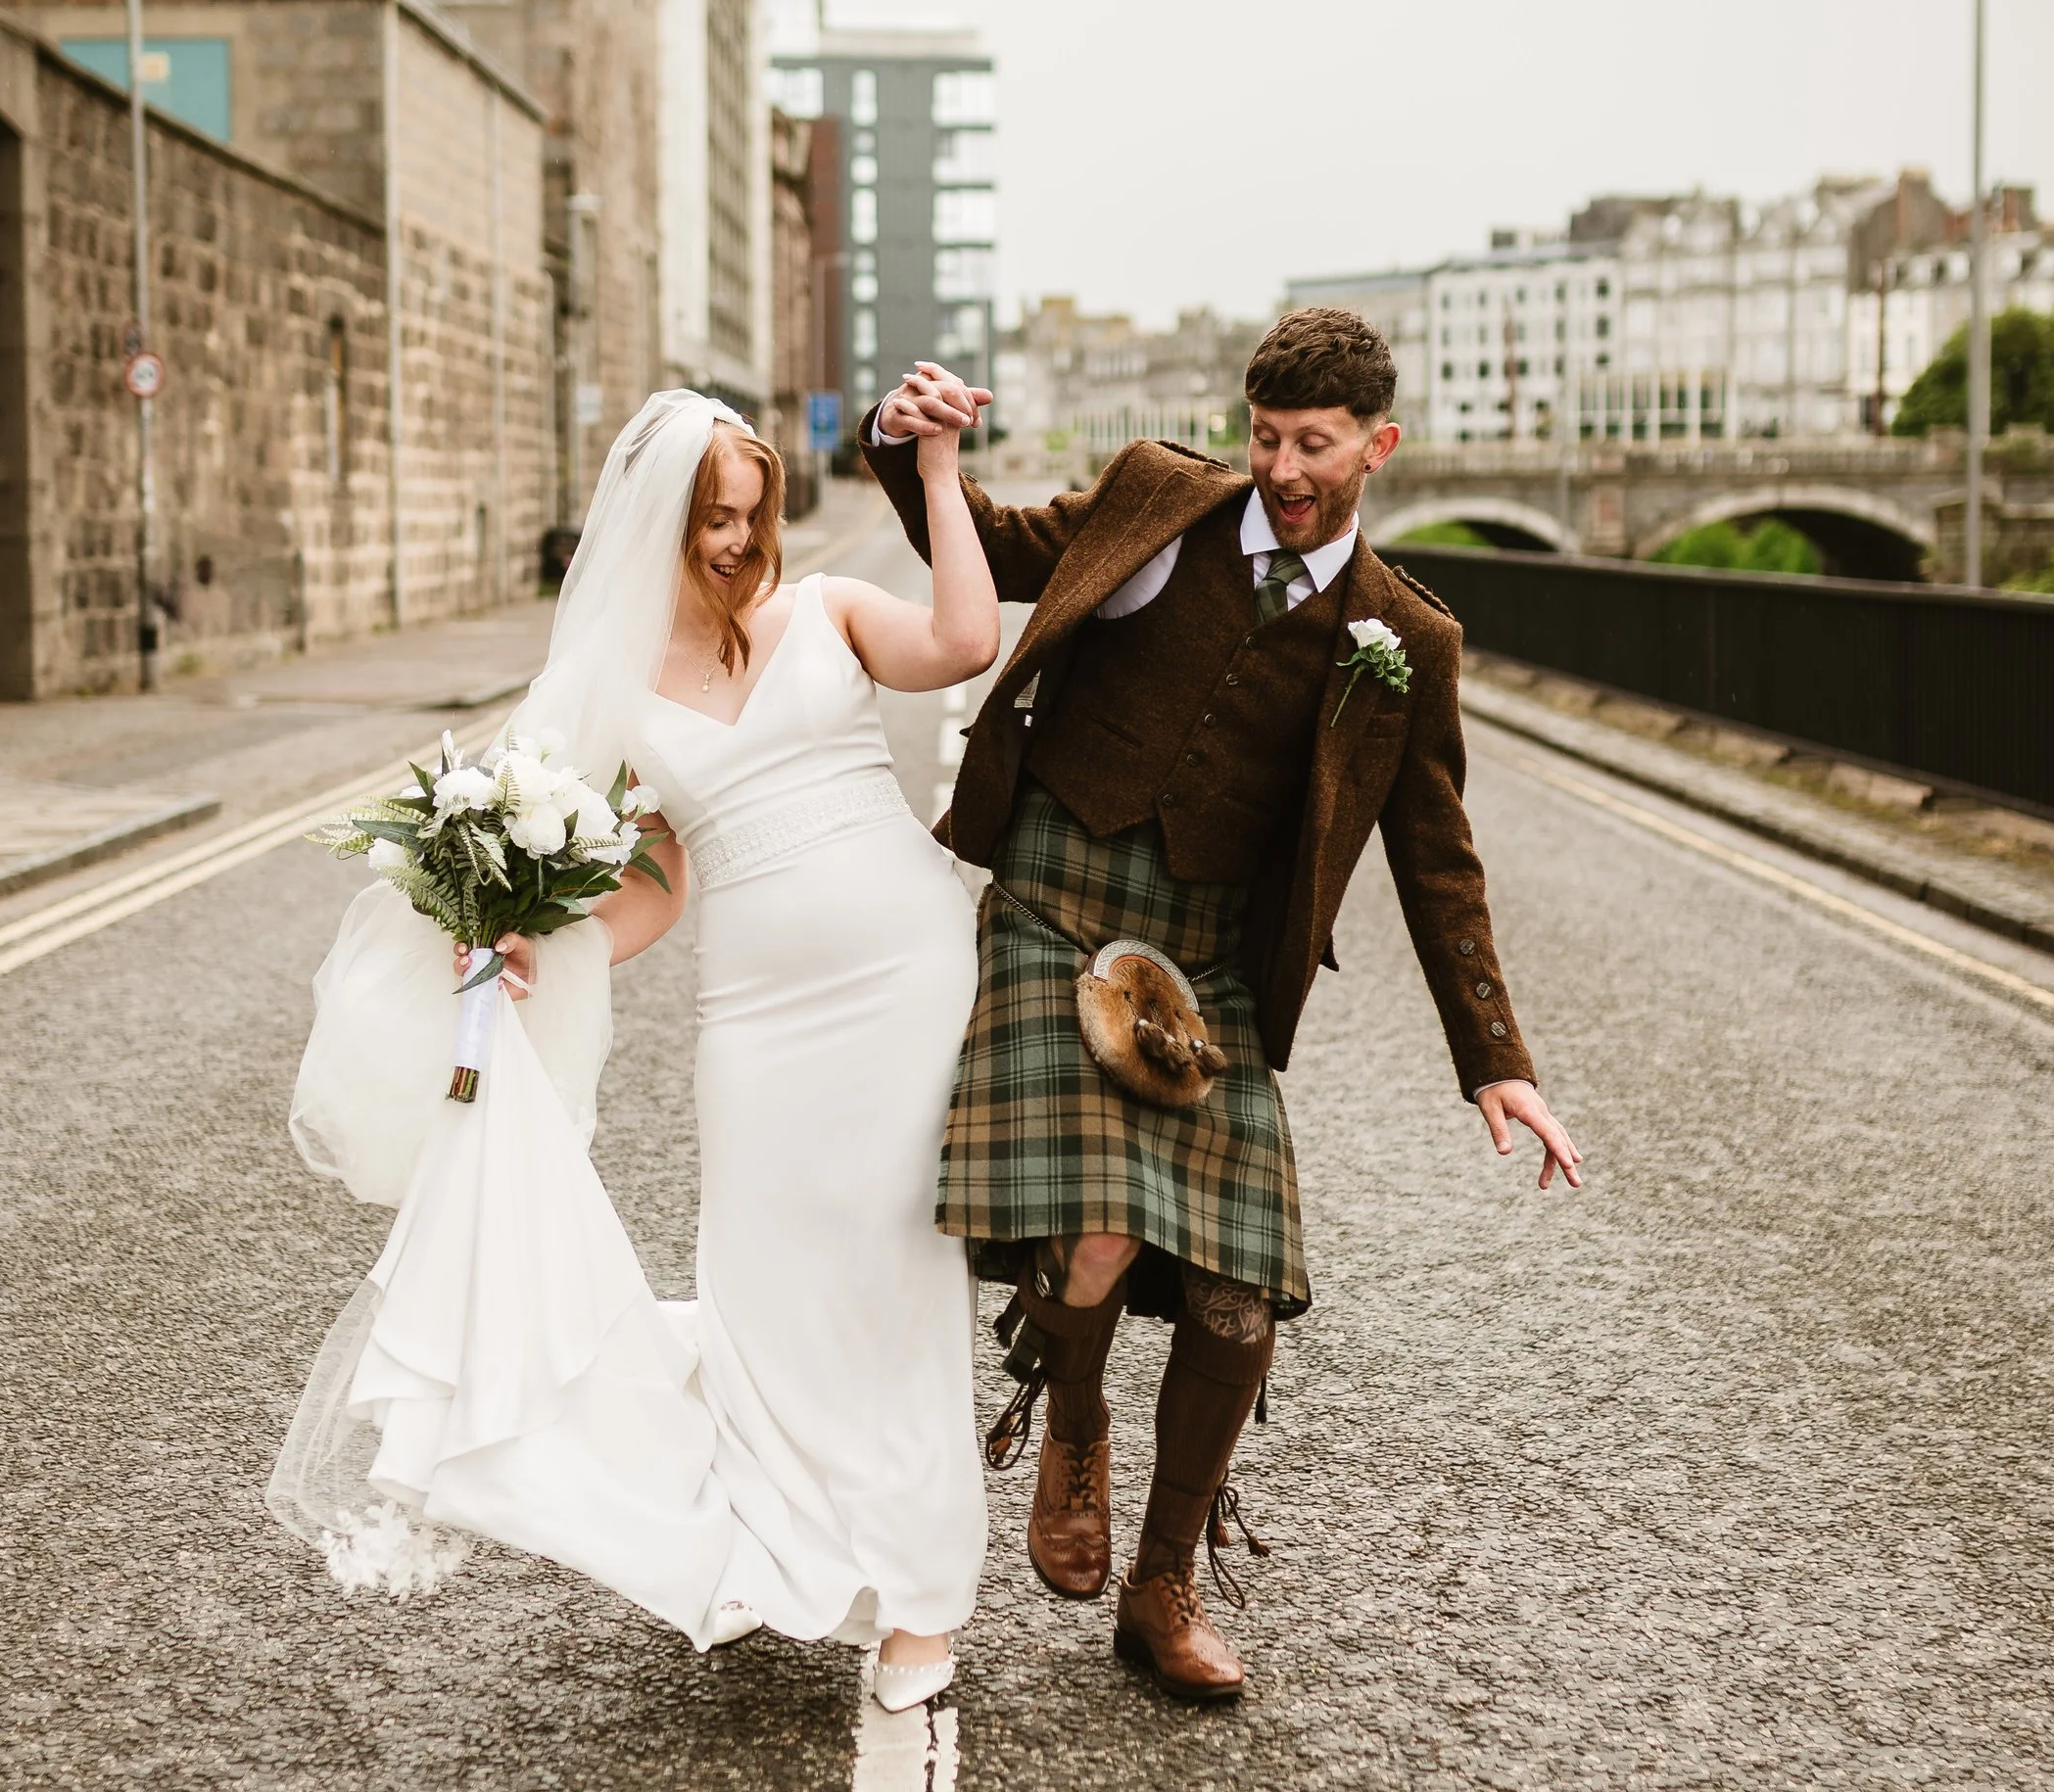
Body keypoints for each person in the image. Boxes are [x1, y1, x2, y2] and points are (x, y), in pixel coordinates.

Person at [865, 305, 1580, 1708]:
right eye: (1266, 436)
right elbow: (996, 547)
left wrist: (1496, 1059)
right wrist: (913, 453)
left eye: (1315, 444)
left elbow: (1437, 858)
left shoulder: (1403, 636)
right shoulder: (1155, 496)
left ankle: (1163, 1582)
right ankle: (1072, 1417)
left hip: (1212, 963)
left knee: (1240, 1298)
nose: (1284, 468)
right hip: (1059, 888)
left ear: (1381, 443)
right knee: (1098, 1225)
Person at [269, 387, 1000, 1712]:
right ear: (654, 522)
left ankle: (922, 1602)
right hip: (759, 1015)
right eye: (708, 516)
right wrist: (542, 936)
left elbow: (964, 637)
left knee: (895, 1272)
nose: (733, 539)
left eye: (749, 512)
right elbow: (656, 886)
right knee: (764, 1279)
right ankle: (789, 1545)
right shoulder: (621, 694)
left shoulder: (828, 608)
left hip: (903, 971)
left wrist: (938, 469)